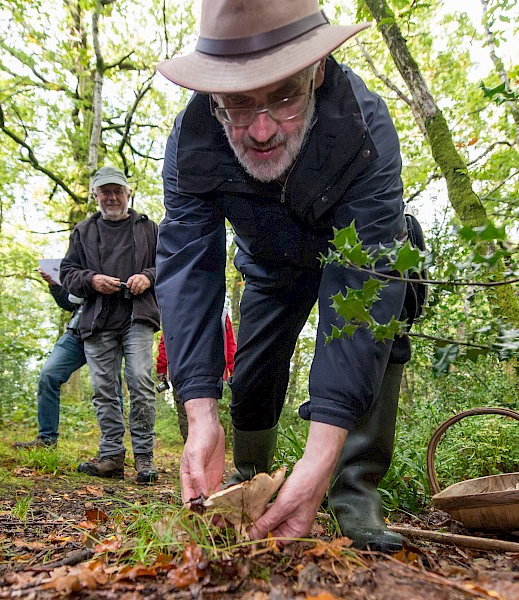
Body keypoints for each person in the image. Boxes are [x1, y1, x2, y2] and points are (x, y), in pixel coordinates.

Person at [156, 0, 412, 552]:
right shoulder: (192, 142)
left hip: (349, 257)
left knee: (383, 326)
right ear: (212, 97)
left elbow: (365, 282)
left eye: (285, 97)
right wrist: (198, 410)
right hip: (269, 266)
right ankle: (251, 481)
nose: (263, 130)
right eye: (238, 105)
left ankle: (351, 487)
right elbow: (187, 270)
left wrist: (321, 448)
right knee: (252, 374)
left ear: (317, 74)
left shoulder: (364, 128)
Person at [60, 166, 160, 484]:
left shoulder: (149, 228)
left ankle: (144, 458)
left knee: (141, 382)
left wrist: (148, 276)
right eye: (105, 191)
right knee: (104, 389)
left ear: (129, 193)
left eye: (118, 190)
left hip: (138, 316)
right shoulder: (83, 231)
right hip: (97, 319)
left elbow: (168, 264)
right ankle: (111, 455)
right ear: (95, 195)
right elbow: (67, 272)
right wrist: (91, 279)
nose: (112, 197)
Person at [12, 268, 124, 449]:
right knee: (49, 375)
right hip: (77, 333)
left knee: (110, 388)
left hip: (109, 333)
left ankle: (112, 448)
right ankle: (47, 439)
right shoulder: (82, 261)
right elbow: (69, 302)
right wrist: (54, 283)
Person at [157, 309, 236, 442]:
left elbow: (229, 343)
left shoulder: (220, 311)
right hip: (190, 372)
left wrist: (234, 370)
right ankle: (193, 448)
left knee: (201, 414)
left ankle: (201, 448)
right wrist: (162, 367)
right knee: (191, 414)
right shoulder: (176, 308)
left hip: (203, 372)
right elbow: (166, 341)